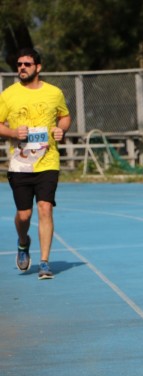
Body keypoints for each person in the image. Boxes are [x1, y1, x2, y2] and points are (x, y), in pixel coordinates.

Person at [0, 48, 71, 280]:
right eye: (19, 64)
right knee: (24, 215)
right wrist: (13, 132)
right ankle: (23, 242)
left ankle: (44, 262)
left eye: (27, 64)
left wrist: (61, 130)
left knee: (45, 207)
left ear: (38, 67)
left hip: (48, 161)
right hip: (20, 163)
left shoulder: (54, 93)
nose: (22, 67)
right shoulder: (8, 95)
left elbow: (64, 116)